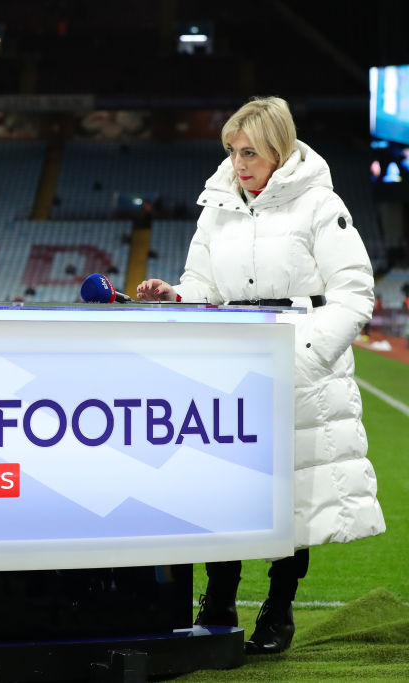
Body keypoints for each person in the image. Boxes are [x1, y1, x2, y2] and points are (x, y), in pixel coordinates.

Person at [136, 96, 385, 654]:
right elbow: (204, 284)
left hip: (299, 369)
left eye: (250, 152)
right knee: (225, 490)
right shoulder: (216, 205)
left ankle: (278, 609)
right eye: (231, 150)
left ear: (280, 149)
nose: (238, 163)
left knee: (289, 496)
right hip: (233, 375)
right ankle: (218, 601)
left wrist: (302, 358)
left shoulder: (320, 205)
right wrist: (178, 294)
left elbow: (353, 295)